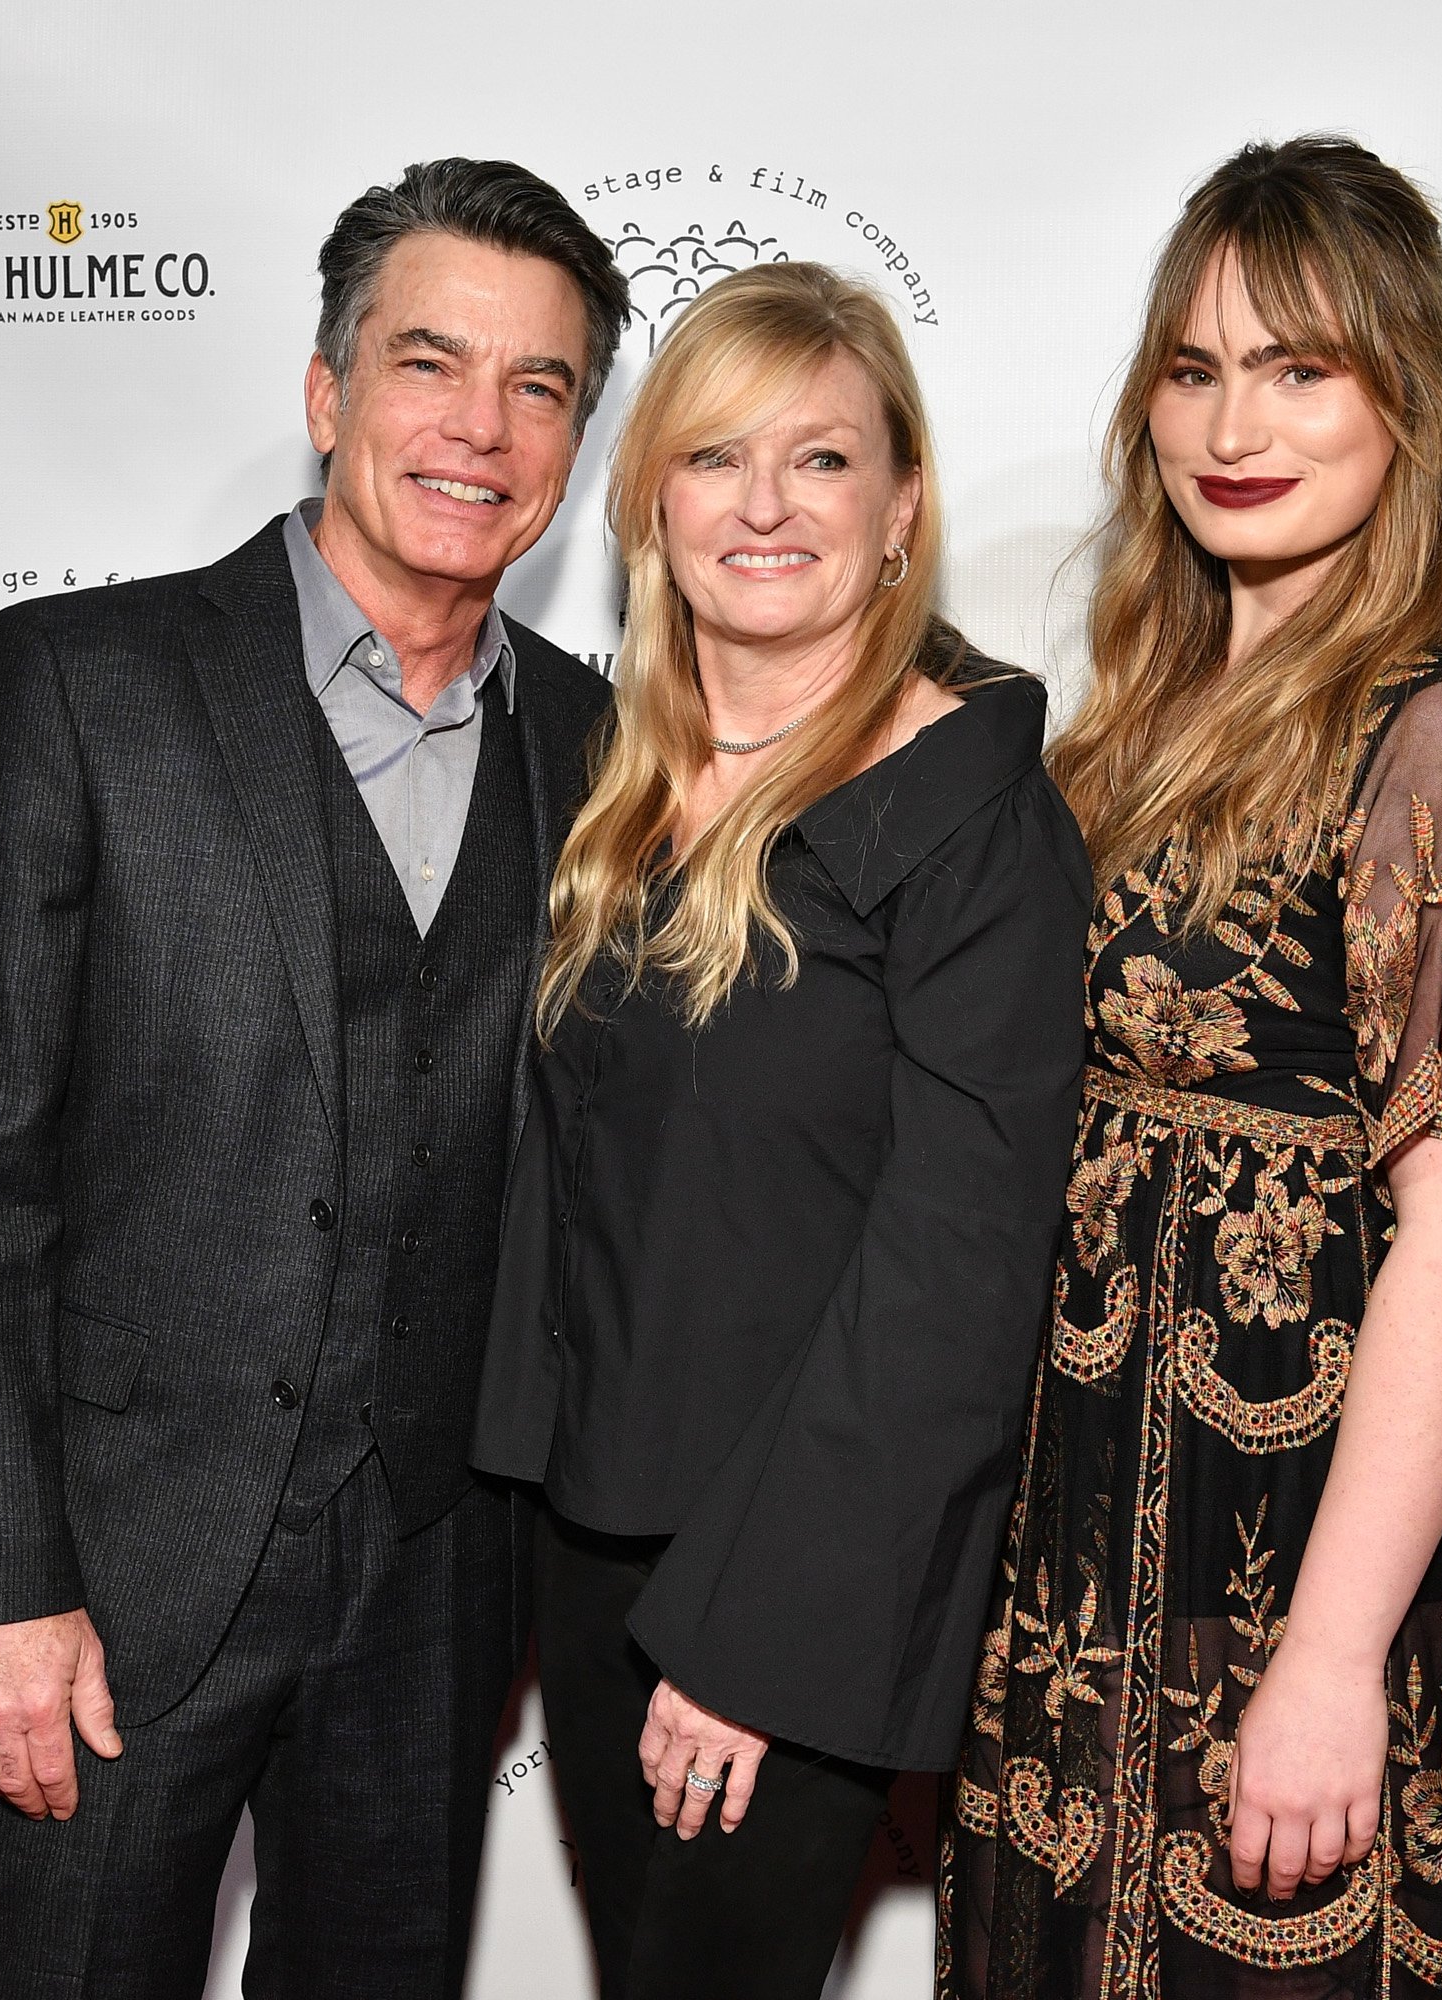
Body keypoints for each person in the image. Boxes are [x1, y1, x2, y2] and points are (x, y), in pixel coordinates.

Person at [0, 158, 630, 2000]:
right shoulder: (84, 681)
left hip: (442, 1576)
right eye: (430, 363)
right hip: (124, 1573)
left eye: (539, 388)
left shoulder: (603, 740)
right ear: (327, 393)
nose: (480, 427)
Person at [938, 137, 1442, 1999]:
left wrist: (1330, 1658)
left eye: (1302, 369)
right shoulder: (1148, 704)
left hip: (1307, 1531)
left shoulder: (1441, 728)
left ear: (1410, 399)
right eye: (1197, 365)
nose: (1237, 421)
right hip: (1099, 1514)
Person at [472, 262, 1091, 2000]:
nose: (762, 507)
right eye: (715, 456)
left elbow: (956, 1275)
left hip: (793, 1569)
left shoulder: (973, 828)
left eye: (819, 461)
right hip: (585, 1538)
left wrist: (760, 1641)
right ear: (650, 500)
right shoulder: (603, 771)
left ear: (901, 509)